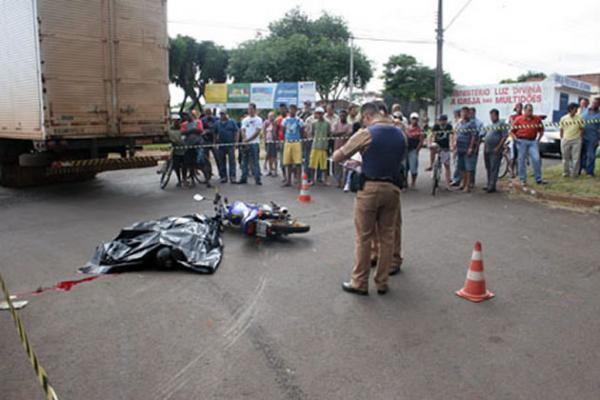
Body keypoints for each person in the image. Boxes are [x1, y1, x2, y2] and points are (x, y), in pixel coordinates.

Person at [333, 102, 406, 296]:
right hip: (393, 189)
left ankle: (360, 282)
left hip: (370, 189)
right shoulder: (400, 133)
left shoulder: (367, 133)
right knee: (387, 236)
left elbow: (338, 156)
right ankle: (382, 282)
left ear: (367, 117)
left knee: (364, 237)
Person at [511, 103, 545, 188]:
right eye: (529, 110)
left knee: (536, 159)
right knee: (521, 160)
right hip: (521, 141)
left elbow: (541, 129)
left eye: (531, 110)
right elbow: (511, 131)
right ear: (525, 110)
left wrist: (538, 139)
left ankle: (538, 179)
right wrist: (515, 139)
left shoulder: (537, 119)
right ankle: (522, 179)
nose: (530, 112)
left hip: (532, 141)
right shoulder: (519, 119)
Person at [483, 109, 508, 193]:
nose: (491, 117)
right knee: (488, 167)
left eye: (493, 115)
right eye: (490, 115)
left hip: (495, 149)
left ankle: (492, 185)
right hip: (487, 149)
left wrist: (498, 147)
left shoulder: (501, 124)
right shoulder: (490, 125)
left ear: (497, 115)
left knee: (494, 167)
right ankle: (489, 183)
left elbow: (504, 136)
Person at [455, 107, 478, 193]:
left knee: (468, 168)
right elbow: (457, 134)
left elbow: (473, 136)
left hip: (467, 147)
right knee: (461, 167)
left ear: (469, 113)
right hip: (460, 147)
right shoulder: (460, 123)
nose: (464, 114)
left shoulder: (472, 124)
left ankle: (467, 186)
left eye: (465, 112)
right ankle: (462, 183)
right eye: (462, 112)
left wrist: (471, 147)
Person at [239, 103, 263, 185]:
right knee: (244, 161)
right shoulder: (245, 120)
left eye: (251, 109)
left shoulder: (258, 119)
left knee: (255, 161)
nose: (250, 110)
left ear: (254, 110)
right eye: (248, 109)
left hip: (254, 143)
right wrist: (245, 139)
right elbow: (242, 130)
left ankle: (257, 179)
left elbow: (257, 132)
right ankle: (243, 178)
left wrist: (248, 140)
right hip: (246, 143)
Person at [559, 103, 584, 178]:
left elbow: (582, 129)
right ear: (570, 109)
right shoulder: (563, 118)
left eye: (577, 108)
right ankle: (566, 173)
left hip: (576, 140)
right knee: (565, 157)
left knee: (576, 158)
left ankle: (574, 174)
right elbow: (561, 129)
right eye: (575, 108)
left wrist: (580, 138)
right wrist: (562, 138)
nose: (576, 110)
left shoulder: (580, 118)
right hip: (566, 139)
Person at [282, 104, 304, 187]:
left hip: (296, 142)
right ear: (289, 110)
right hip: (288, 142)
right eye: (291, 109)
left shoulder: (299, 120)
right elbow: (284, 130)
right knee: (288, 163)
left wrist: (300, 139)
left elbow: (302, 130)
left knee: (298, 163)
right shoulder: (285, 120)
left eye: (294, 109)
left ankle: (299, 181)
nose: (292, 111)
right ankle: (288, 181)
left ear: (296, 110)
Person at [214, 110, 239, 183]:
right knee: (221, 161)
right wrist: (215, 143)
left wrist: (236, 142)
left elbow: (237, 131)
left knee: (232, 161)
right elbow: (215, 133)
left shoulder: (232, 122)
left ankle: (233, 177)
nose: (222, 116)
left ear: (226, 114)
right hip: (221, 145)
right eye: (221, 114)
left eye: (223, 114)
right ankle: (223, 177)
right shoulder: (217, 123)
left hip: (230, 144)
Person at [308, 107, 331, 185]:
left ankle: (325, 180)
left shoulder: (327, 123)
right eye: (317, 113)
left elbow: (329, 133)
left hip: (323, 146)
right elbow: (312, 133)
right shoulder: (314, 123)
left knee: (324, 165)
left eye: (320, 113)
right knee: (312, 164)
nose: (319, 115)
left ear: (323, 114)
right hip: (315, 146)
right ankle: (312, 180)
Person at [430, 115, 453, 188]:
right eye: (440, 121)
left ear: (446, 121)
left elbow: (452, 136)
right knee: (432, 147)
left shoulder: (449, 127)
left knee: (447, 165)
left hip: (445, 146)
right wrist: (430, 143)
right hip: (437, 144)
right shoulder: (436, 126)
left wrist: (452, 145)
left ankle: (448, 183)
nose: (442, 122)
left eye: (443, 121)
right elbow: (431, 135)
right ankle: (431, 164)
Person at [332, 109, 353, 188]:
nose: (342, 117)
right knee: (337, 166)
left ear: (346, 116)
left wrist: (339, 133)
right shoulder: (336, 124)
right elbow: (334, 133)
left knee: (346, 166)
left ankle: (345, 182)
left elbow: (349, 133)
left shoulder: (350, 125)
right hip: (337, 148)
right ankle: (338, 181)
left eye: (344, 116)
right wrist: (343, 133)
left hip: (346, 148)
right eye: (341, 116)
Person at [580, 97, 600, 176]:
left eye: (596, 103)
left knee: (591, 155)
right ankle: (582, 169)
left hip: (593, 138)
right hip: (582, 136)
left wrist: (598, 139)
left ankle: (590, 172)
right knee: (581, 154)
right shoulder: (584, 111)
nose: (594, 104)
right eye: (593, 102)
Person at [405, 112, 424, 189]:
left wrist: (417, 150)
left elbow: (421, 141)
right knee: (405, 167)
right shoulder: (407, 128)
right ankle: (405, 182)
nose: (414, 121)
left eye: (415, 119)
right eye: (413, 119)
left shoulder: (420, 129)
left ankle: (413, 182)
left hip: (413, 150)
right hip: (406, 149)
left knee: (413, 168)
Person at [508, 103, 523, 179]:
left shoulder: (524, 116)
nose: (519, 109)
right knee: (513, 156)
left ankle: (519, 171)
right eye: (518, 107)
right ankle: (511, 170)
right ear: (515, 109)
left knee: (521, 157)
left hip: (522, 137)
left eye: (520, 107)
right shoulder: (512, 117)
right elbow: (512, 125)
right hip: (514, 137)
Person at [263, 111, 278, 177]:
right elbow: (264, 132)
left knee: (274, 157)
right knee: (269, 156)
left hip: (274, 141)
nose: (271, 117)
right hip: (268, 141)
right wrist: (265, 141)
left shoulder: (275, 123)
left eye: (272, 116)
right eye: (270, 116)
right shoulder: (266, 122)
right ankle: (270, 170)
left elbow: (275, 133)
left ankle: (275, 171)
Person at [275, 103, 288, 178]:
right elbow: (275, 131)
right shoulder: (278, 119)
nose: (282, 110)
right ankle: (284, 176)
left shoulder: (290, 117)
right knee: (282, 161)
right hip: (281, 141)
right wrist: (277, 141)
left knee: (292, 161)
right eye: (281, 109)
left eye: (283, 108)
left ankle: (294, 177)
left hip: (290, 141)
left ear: (286, 109)